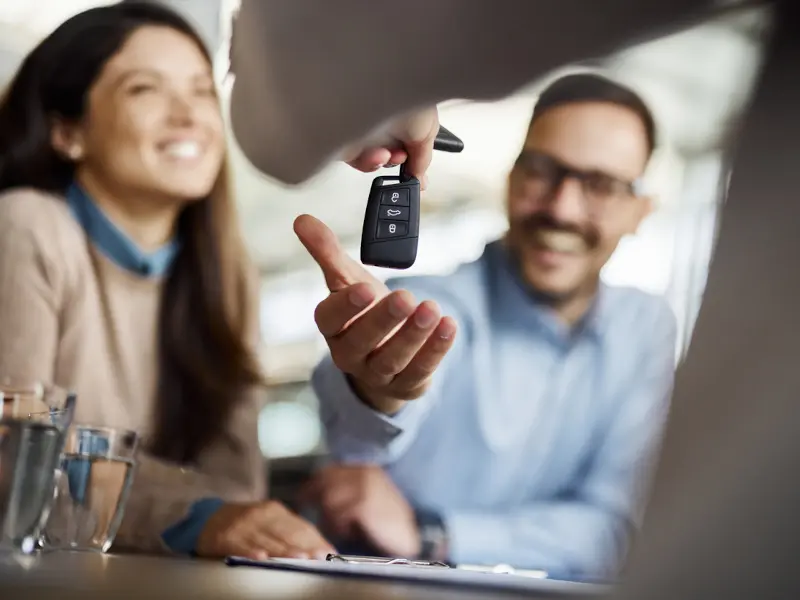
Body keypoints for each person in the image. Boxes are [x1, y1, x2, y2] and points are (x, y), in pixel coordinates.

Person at [296, 73, 677, 579]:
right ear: (512, 178)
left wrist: (436, 534)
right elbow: (356, 432)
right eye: (543, 171)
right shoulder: (434, 303)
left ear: (639, 212)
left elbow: (617, 527)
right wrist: (376, 392)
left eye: (601, 186)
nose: (562, 209)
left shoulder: (645, 328)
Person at [0, 2, 333, 560]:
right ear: (67, 132)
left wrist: (228, 518)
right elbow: (14, 447)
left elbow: (236, 486)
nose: (189, 115)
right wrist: (192, 513)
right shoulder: (27, 226)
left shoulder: (228, 276)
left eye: (203, 91)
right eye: (145, 89)